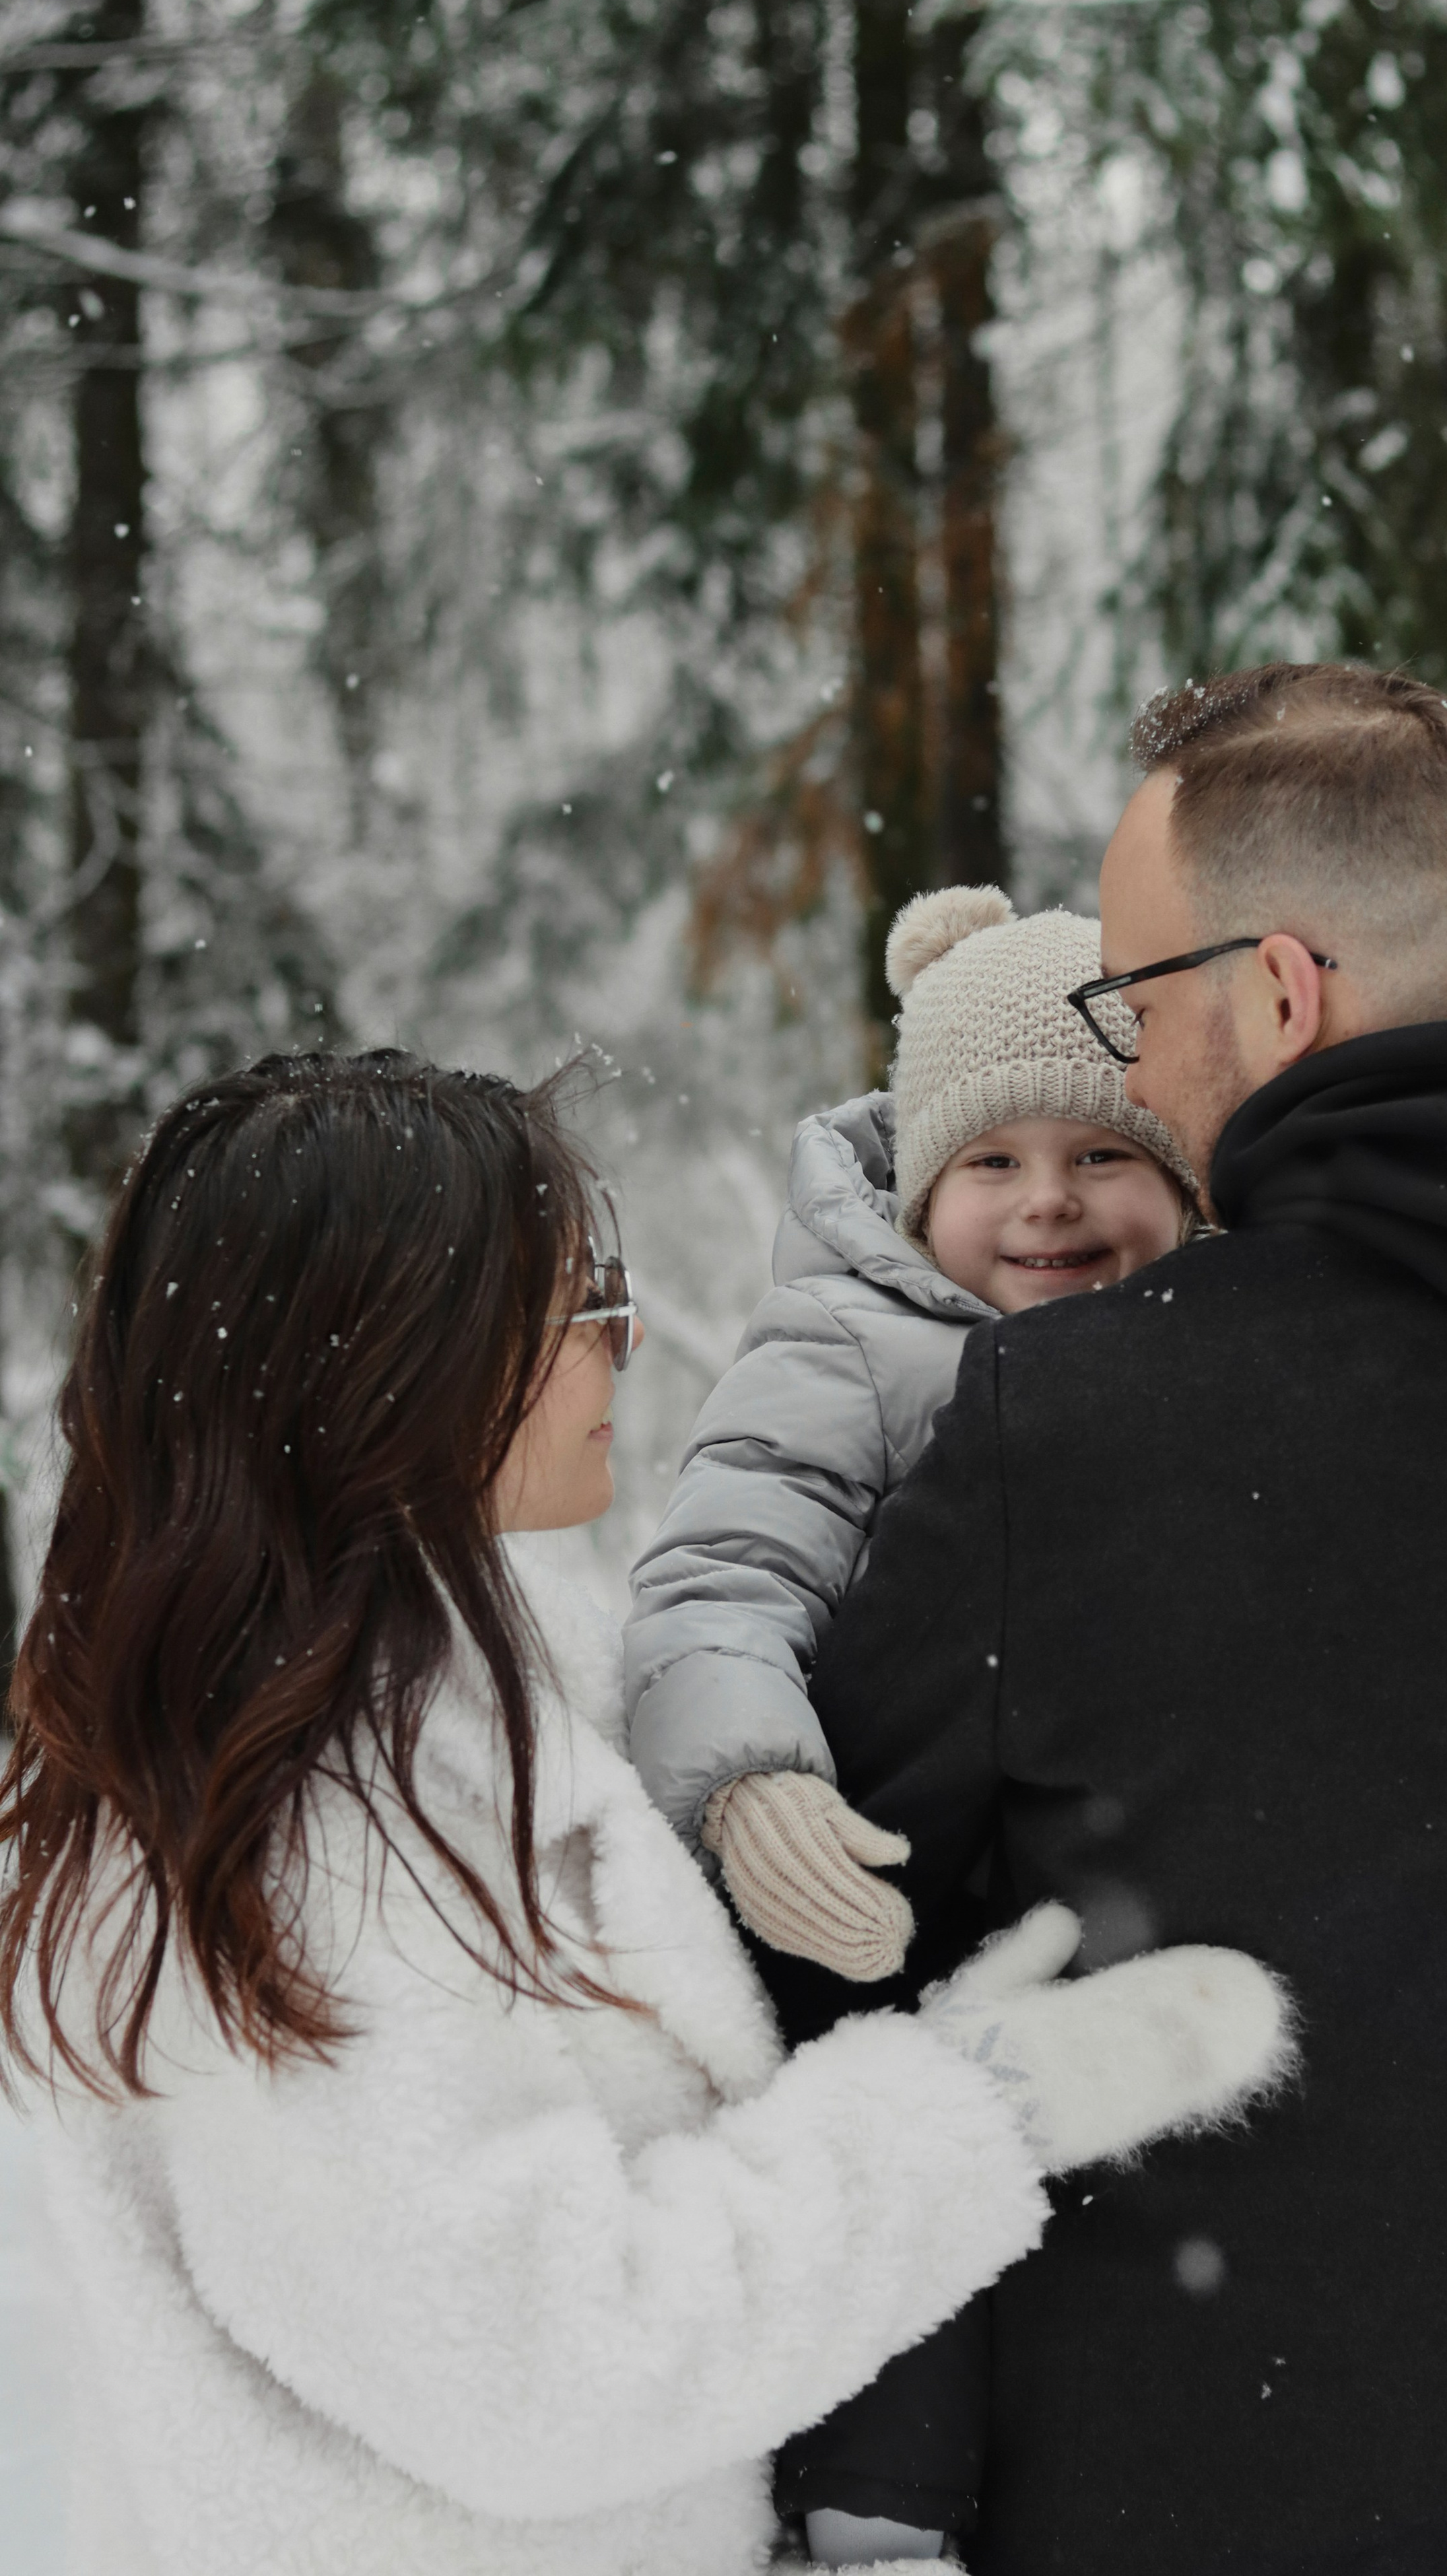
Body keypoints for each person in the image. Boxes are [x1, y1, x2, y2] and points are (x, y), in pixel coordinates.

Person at [0, 1048, 1293, 2576]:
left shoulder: (451, 1703)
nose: (622, 1347)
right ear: (392, 1355)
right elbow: (540, 2364)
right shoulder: (303, 1824)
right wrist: (979, 2108)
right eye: (580, 1306)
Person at [778, 661, 1447, 2573]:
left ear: (1281, 992)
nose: (1119, 1062)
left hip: (1161, 2513)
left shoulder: (1072, 1427)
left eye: (1132, 995)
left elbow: (833, 1968)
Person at [626, 887, 1195, 1983]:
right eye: (992, 1162)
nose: (1048, 1201)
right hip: (909, 1886)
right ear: (921, 1198)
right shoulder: (853, 1346)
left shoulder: (1218, 1341)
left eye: (1100, 1156)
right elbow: (722, 1578)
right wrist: (754, 1784)